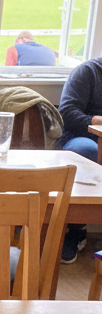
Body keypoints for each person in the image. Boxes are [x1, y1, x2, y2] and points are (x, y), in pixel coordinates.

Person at [57, 56, 102, 263]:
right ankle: (73, 230)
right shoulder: (88, 72)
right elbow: (67, 113)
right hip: (81, 138)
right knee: (86, 151)